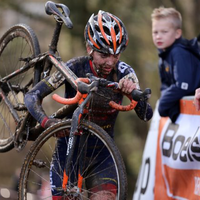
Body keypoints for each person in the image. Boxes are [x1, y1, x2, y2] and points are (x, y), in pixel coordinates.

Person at [25, 10, 153, 200]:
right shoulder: (75, 67)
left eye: (116, 55)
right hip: (67, 151)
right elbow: (32, 96)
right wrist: (47, 122)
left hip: (102, 153)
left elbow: (146, 115)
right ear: (89, 48)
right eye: (104, 54)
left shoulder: (124, 72)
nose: (110, 61)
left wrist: (134, 96)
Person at [151, 7, 200, 123]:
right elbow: (165, 86)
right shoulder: (163, 56)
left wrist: (164, 103)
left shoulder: (178, 52)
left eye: (164, 32)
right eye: (155, 32)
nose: (158, 36)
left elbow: (184, 85)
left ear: (177, 33)